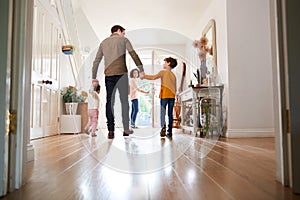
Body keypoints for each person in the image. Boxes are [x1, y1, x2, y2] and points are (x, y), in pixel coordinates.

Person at [92, 25, 144, 139]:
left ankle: (111, 130)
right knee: (124, 101)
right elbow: (133, 54)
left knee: (109, 101)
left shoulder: (103, 43)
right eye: (123, 32)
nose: (124, 35)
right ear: (119, 31)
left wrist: (94, 77)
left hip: (109, 75)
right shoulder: (123, 40)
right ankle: (126, 129)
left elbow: (96, 61)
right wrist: (141, 69)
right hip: (121, 75)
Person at [140, 57, 177, 137]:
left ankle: (163, 128)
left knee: (162, 113)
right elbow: (175, 88)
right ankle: (170, 131)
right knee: (170, 114)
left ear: (168, 63)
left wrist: (144, 76)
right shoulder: (174, 75)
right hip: (172, 96)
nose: (163, 64)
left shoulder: (163, 72)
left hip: (164, 96)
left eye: (165, 62)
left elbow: (153, 77)